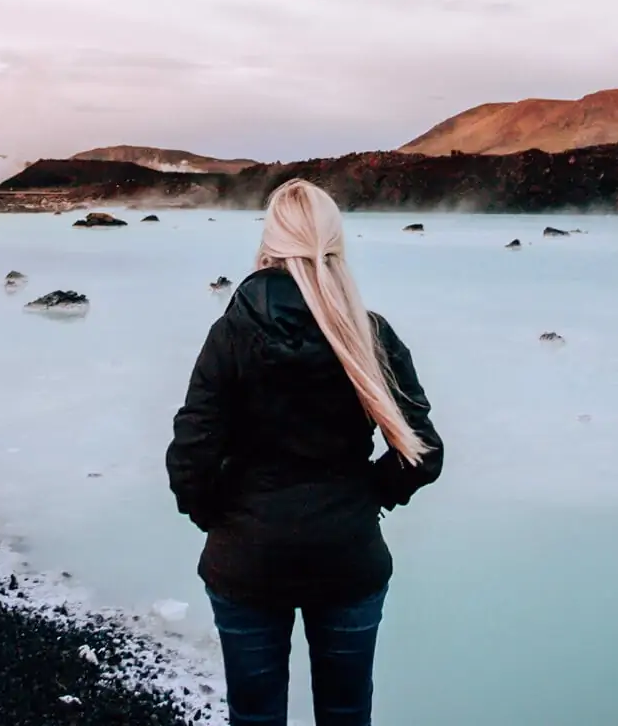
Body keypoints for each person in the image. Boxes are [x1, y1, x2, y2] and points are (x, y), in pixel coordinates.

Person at [165, 179, 444, 726]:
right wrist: (369, 495)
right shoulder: (369, 334)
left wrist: (223, 515)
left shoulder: (230, 334)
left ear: (269, 244)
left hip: (246, 559)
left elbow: (189, 458)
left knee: (254, 715)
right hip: (347, 556)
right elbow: (423, 451)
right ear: (335, 246)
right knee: (345, 714)